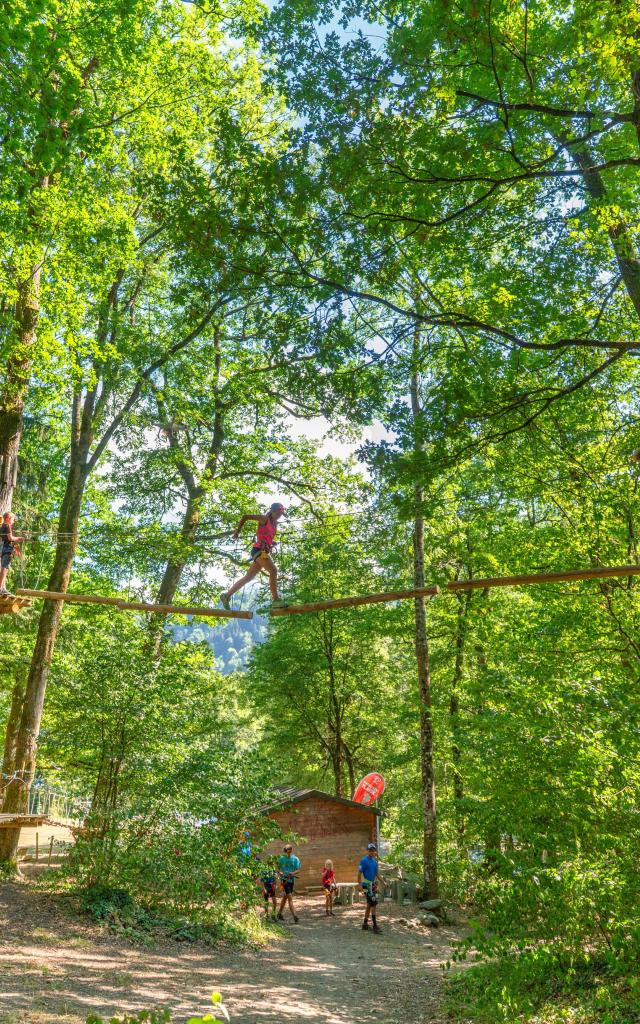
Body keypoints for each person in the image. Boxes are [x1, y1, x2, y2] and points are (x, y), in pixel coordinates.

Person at [220, 502, 287, 610]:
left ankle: (226, 596)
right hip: (258, 550)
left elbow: (265, 535)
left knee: (248, 577)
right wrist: (237, 532)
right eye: (278, 513)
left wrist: (271, 542)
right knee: (273, 571)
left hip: (264, 551)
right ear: (273, 511)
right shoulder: (264, 519)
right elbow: (245, 517)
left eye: (281, 514)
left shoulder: (275, 524)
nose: (279, 516)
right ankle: (276, 600)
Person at [358, 841, 384, 933]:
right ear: (367, 851)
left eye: (373, 850)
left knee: (370, 904)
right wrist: (359, 885)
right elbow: (359, 873)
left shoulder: (374, 861)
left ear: (374, 851)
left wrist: (383, 882)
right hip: (366, 883)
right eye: (370, 850)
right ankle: (375, 926)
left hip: (372, 884)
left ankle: (365, 924)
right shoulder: (364, 860)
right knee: (374, 903)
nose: (371, 852)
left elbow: (377, 873)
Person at [0, 512, 25, 596]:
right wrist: (19, 538)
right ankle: (1, 588)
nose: (13, 521)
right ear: (8, 518)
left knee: (5, 567)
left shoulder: (2, 526)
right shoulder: (8, 526)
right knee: (4, 567)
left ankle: (3, 588)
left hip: (3, 548)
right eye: (13, 519)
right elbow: (10, 538)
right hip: (7, 548)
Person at [276, 843, 301, 922]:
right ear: (285, 851)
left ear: (291, 850)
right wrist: (280, 872)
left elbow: (298, 870)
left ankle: (279, 914)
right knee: (290, 897)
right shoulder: (281, 859)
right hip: (285, 880)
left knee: (285, 897)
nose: (288, 852)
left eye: (290, 850)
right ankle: (295, 916)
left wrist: (293, 873)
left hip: (292, 880)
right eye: (287, 850)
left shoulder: (295, 859)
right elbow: (277, 869)